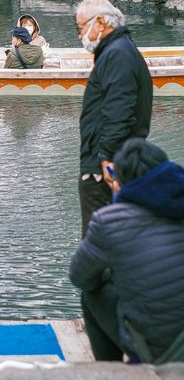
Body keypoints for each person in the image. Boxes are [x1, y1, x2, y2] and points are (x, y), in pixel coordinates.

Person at [69, 138, 184, 363]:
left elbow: (79, 277)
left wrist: (112, 273)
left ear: (120, 179)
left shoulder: (110, 220)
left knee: (92, 294)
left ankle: (114, 374)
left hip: (162, 354)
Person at [75, 0, 152, 236]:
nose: (80, 36)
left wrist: (106, 158)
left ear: (99, 23)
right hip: (112, 160)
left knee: (99, 242)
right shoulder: (120, 50)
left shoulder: (117, 54)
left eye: (80, 28)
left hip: (103, 168)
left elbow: (119, 111)